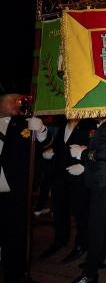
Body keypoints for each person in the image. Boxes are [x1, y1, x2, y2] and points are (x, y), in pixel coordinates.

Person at [0, 93, 51, 283]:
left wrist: (43, 130)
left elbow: (44, 144)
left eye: (19, 99)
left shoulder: (23, 123)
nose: (17, 102)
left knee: (15, 239)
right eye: (12, 99)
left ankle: (17, 277)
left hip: (14, 193)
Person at [69, 116, 106, 283]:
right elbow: (104, 150)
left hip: (104, 180)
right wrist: (87, 148)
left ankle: (90, 273)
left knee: (95, 225)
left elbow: (103, 154)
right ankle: (101, 258)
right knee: (100, 222)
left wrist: (82, 153)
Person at [39, 118, 96, 263]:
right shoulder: (63, 123)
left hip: (79, 175)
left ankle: (81, 245)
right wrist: (52, 151)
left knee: (80, 212)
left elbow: (96, 150)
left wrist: (84, 166)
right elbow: (61, 145)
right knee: (59, 210)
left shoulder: (89, 123)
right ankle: (60, 240)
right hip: (60, 173)